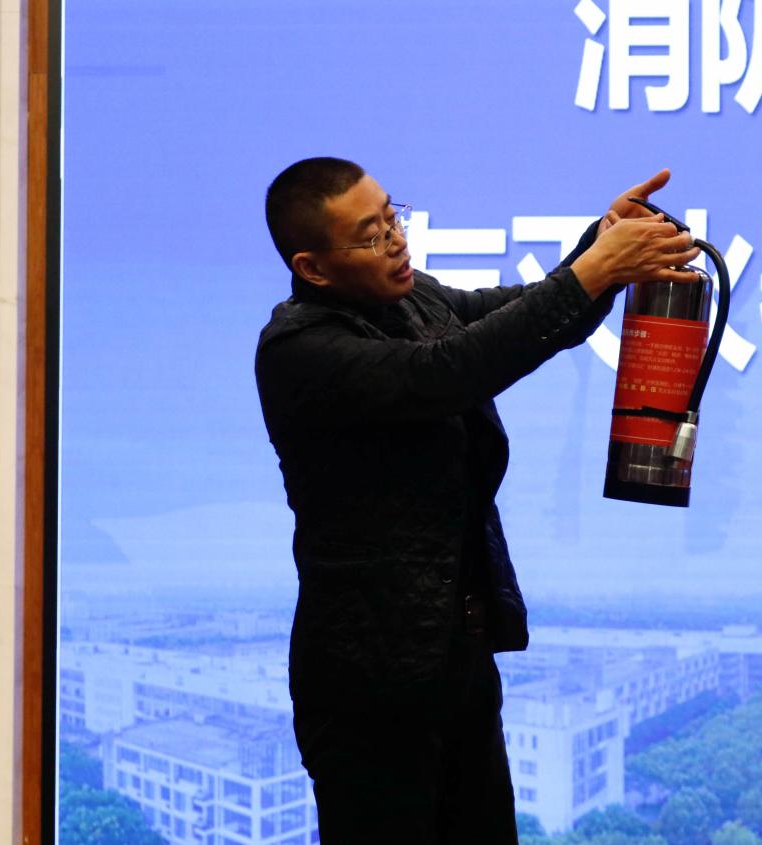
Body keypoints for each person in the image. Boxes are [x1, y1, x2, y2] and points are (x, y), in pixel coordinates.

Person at [255, 157, 699, 844]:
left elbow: (523, 319)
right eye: (371, 235)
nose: (396, 241)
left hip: (455, 657)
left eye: (393, 218)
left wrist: (601, 244)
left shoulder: (414, 300)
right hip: (369, 679)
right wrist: (597, 268)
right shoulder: (300, 349)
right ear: (312, 268)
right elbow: (450, 371)